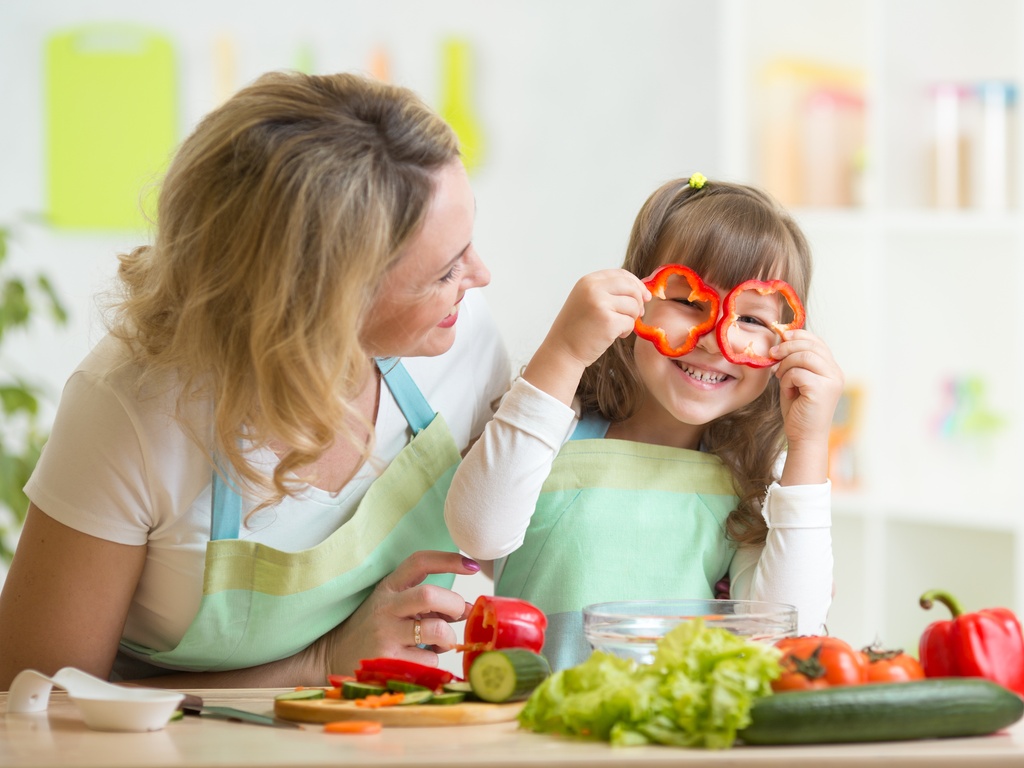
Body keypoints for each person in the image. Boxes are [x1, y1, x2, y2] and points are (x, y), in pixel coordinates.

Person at [0, 70, 511, 691]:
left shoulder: (460, 338)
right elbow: (32, 701)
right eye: (443, 272)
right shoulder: (133, 409)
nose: (479, 276)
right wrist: (319, 665)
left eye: (467, 246)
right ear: (324, 304)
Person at [445, 175, 842, 670]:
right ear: (635, 298)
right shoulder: (556, 427)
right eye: (689, 302)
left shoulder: (749, 480)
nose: (715, 339)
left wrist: (808, 446)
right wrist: (564, 351)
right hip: (530, 733)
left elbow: (790, 634)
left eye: (753, 320)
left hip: (674, 742)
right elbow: (478, 534)